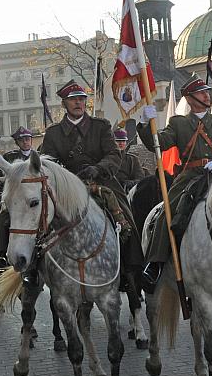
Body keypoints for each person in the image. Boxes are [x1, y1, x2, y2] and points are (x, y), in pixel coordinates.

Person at [136, 74, 212, 283]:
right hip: (190, 177)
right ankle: (155, 263)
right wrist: (145, 124)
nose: (207, 96)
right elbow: (159, 144)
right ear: (190, 99)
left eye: (208, 92)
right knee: (168, 210)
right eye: (202, 93)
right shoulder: (178, 123)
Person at [40, 79, 145, 281]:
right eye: (73, 100)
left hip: (102, 181)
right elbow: (47, 162)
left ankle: (132, 268)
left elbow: (114, 155)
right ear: (64, 104)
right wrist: (64, 177)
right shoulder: (53, 133)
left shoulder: (101, 126)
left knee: (126, 217)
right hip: (67, 187)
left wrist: (97, 169)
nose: (79, 103)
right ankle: (33, 270)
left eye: (81, 99)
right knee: (39, 219)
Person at [0, 126, 36, 271]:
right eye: (22, 140)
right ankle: (1, 254)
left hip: (34, 198)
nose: (26, 142)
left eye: (28, 139)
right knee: (2, 219)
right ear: (17, 142)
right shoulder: (10, 157)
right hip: (16, 199)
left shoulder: (38, 157)